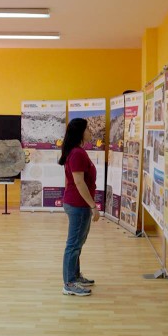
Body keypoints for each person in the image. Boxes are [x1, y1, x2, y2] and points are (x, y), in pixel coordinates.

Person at [59, 118, 99, 296]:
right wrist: (93, 206)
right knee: (73, 244)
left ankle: (74, 276)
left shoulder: (77, 152)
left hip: (77, 204)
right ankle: (68, 283)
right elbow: (78, 182)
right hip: (78, 205)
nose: (90, 132)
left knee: (78, 243)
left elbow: (72, 181)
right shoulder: (77, 153)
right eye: (88, 129)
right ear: (80, 132)